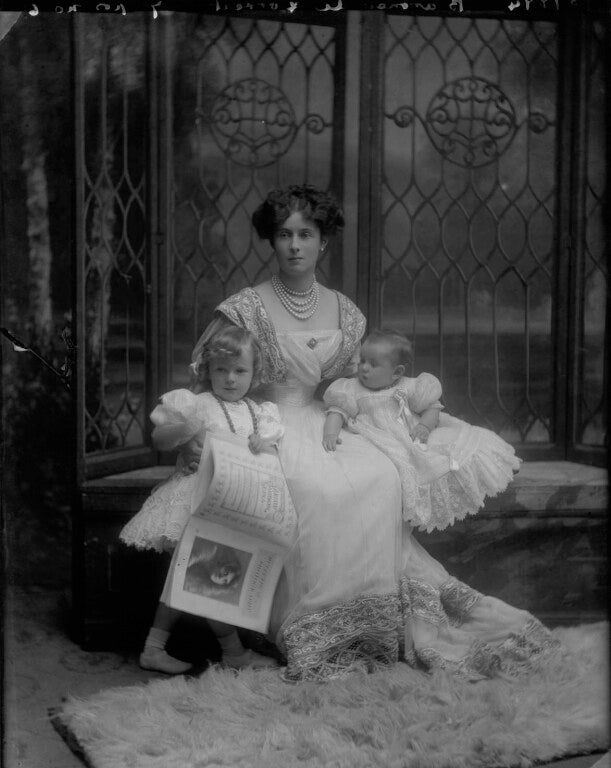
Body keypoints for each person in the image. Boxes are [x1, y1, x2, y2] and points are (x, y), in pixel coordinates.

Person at [184, 184, 558, 682]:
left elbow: (358, 381)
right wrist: (202, 435)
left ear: (324, 243)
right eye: (284, 235)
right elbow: (203, 376)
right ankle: (317, 628)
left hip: (325, 416)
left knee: (381, 474)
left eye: (306, 234)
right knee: (315, 489)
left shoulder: (344, 310)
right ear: (271, 243)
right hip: (265, 422)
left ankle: (377, 623)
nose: (295, 245)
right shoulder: (246, 307)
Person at [119, 324, 283, 674]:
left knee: (191, 578)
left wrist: (264, 445)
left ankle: (156, 647)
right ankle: (233, 653)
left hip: (238, 502)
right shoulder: (198, 405)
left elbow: (274, 454)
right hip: (196, 499)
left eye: (240, 371)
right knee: (203, 576)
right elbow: (161, 438)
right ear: (207, 370)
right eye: (221, 370)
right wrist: (184, 440)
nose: (229, 379)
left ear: (254, 374)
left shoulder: (261, 413)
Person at [322, 328, 521, 532]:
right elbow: (337, 411)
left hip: (411, 433)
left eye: (373, 364)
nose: (363, 368)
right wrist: (331, 433)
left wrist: (425, 426)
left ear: (397, 372)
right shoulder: (351, 389)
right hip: (379, 440)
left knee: (444, 453)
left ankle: (491, 469)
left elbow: (432, 408)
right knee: (388, 469)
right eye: (363, 360)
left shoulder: (409, 386)